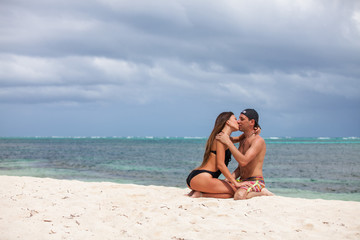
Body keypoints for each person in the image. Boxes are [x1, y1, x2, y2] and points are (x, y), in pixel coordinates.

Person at [186, 112, 252, 198]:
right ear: (228, 122)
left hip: (198, 177)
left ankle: (198, 191)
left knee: (233, 191)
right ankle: (201, 194)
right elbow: (220, 164)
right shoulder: (220, 138)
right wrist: (235, 182)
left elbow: (240, 138)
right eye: (235, 119)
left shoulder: (224, 138)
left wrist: (252, 129)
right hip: (202, 177)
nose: (238, 122)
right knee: (234, 192)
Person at [216, 109, 274, 200]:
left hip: (255, 181)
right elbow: (240, 168)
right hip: (242, 181)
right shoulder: (242, 139)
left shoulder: (258, 141)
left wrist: (228, 142)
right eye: (238, 119)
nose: (238, 121)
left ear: (251, 122)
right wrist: (229, 179)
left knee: (239, 196)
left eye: (242, 119)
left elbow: (243, 161)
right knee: (217, 187)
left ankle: (263, 193)